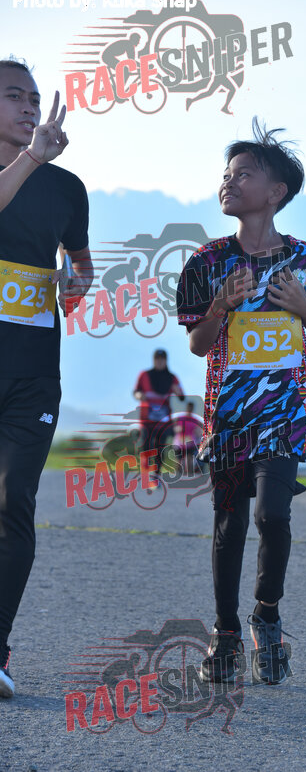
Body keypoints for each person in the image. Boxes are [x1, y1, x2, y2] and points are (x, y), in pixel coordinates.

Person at [177, 118, 306, 685]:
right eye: (227, 173)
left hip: (285, 413)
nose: (229, 181)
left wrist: (302, 304)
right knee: (230, 524)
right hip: (228, 416)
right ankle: (224, 635)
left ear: (276, 192)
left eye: (244, 174)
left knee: (273, 515)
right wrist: (220, 305)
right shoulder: (206, 261)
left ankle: (266, 616)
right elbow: (198, 345)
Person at [0, 58, 93, 697]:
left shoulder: (66, 188)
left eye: (34, 98)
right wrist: (31, 158)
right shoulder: (30, 167)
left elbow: (82, 267)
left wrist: (73, 284)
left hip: (33, 375)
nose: (30, 107)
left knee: (13, 502)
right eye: (14, 96)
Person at [133, 349, 184, 483]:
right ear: (153, 360)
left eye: (162, 359)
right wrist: (139, 395)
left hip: (163, 420)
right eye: (157, 359)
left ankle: (156, 475)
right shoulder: (144, 375)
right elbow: (136, 391)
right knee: (146, 445)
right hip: (147, 419)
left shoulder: (172, 378)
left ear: (166, 361)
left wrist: (178, 392)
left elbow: (182, 396)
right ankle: (145, 470)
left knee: (160, 447)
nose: (160, 362)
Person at [173, 401, 203, 476]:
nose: (190, 409)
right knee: (179, 461)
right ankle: (179, 475)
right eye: (189, 407)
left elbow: (199, 429)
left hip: (190, 442)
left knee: (189, 459)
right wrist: (179, 429)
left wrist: (199, 433)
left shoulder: (194, 420)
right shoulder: (181, 418)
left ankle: (189, 476)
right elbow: (175, 428)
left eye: (191, 408)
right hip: (179, 442)